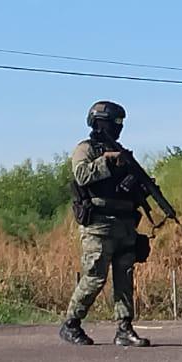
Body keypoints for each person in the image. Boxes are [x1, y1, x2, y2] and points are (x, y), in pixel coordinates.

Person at [60, 100, 152, 348]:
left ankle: (124, 328)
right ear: (100, 122)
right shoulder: (86, 149)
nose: (119, 127)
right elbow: (82, 175)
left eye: (121, 123)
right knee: (95, 277)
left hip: (124, 223)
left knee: (125, 277)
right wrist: (107, 161)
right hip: (98, 225)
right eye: (115, 122)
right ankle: (71, 324)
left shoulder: (122, 152)